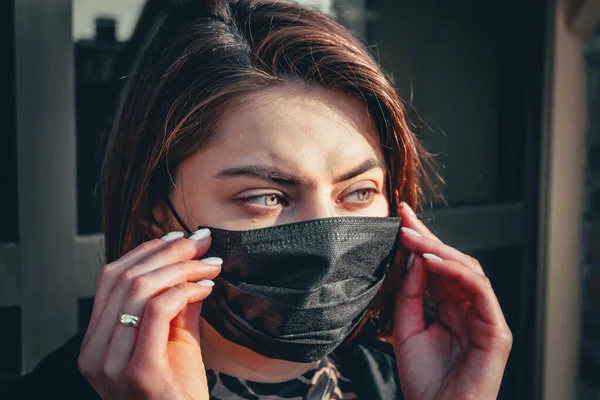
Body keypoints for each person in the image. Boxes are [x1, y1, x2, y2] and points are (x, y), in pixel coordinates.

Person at [7, 0, 512, 398]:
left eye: (358, 191)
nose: (329, 243)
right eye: (266, 196)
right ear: (155, 213)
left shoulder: (402, 383)